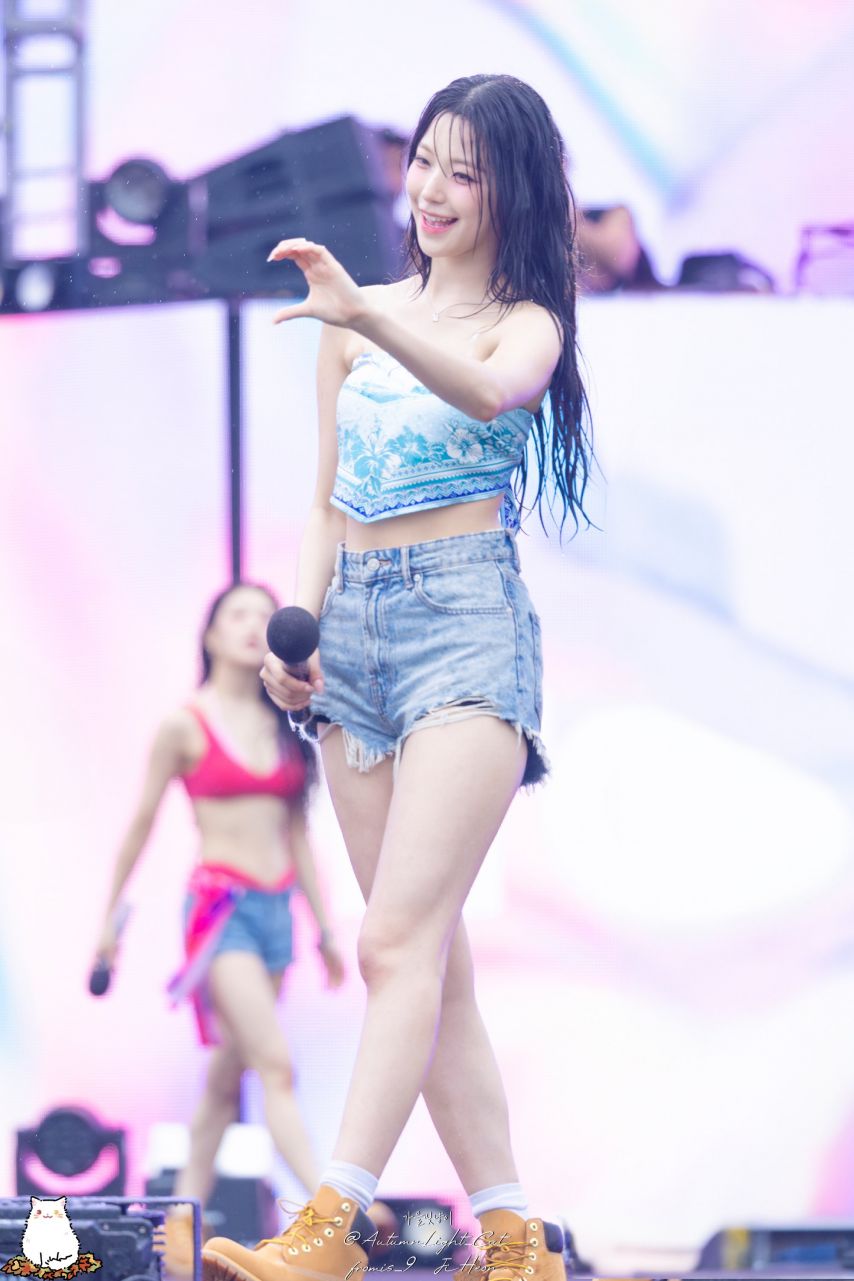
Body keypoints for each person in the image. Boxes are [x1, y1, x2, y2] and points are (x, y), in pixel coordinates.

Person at [201, 73, 593, 1281]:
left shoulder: (524, 322)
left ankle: (333, 1228)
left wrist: (365, 320)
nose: (430, 189)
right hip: (354, 640)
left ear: (509, 191)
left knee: (391, 944)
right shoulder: (354, 313)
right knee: (428, 963)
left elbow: (488, 390)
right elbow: (326, 499)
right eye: (423, 159)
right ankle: (514, 1239)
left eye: (462, 171)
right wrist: (296, 642)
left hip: (465, 628)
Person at [91, 582, 392, 1277]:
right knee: (274, 1064)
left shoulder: (286, 725)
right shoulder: (184, 725)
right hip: (218, 914)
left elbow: (298, 833)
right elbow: (140, 824)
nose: (254, 624)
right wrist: (109, 922)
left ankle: (176, 1233)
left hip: (275, 914)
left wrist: (323, 929)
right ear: (210, 634)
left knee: (226, 1084)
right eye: (238, 614)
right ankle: (332, 1209)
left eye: (264, 614)